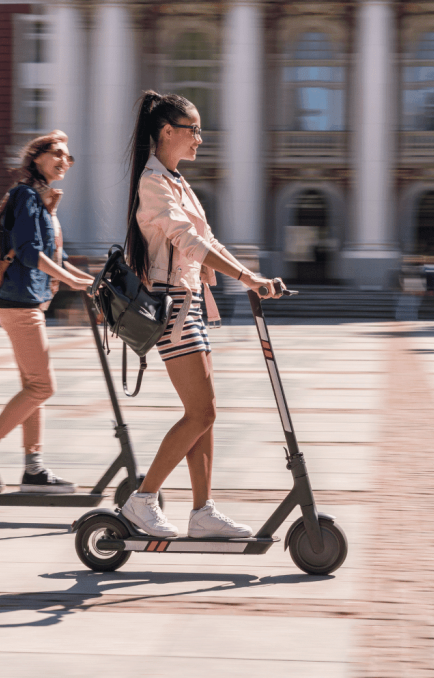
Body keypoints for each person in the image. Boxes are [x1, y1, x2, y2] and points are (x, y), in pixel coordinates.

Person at [119, 91, 280, 538]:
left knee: (204, 412)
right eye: (194, 130)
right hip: (170, 307)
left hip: (190, 303)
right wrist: (248, 278)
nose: (200, 140)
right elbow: (188, 241)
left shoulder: (177, 182)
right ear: (167, 131)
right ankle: (142, 500)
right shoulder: (153, 183)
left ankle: (202, 512)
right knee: (202, 412)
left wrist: (248, 274)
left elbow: (208, 242)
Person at [0, 130, 95, 494]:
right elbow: (27, 252)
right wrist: (69, 280)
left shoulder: (42, 201)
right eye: (58, 154)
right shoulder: (25, 195)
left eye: (69, 157)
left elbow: (57, 256)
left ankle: (34, 470)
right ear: (37, 157)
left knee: (32, 388)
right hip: (18, 304)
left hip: (27, 303)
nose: (65, 161)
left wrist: (92, 281)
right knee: (42, 386)